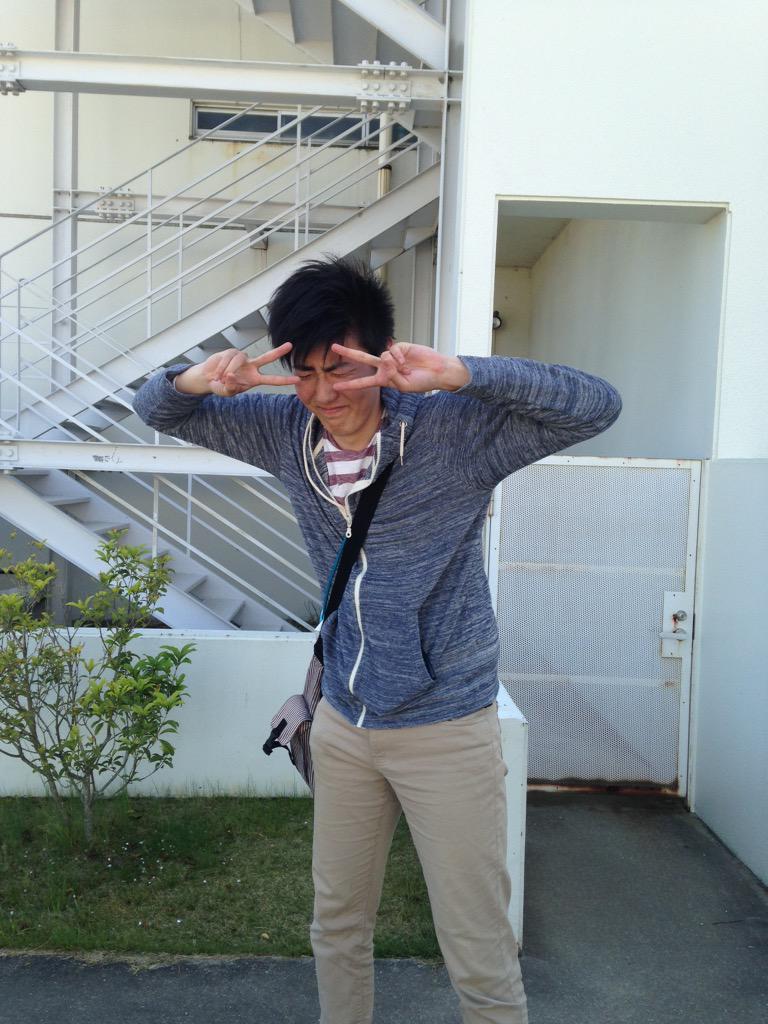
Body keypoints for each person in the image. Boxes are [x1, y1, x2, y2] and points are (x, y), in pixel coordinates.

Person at [133, 255, 622, 1024]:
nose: (323, 393)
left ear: (380, 356)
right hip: (343, 722)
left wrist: (463, 373)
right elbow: (158, 410)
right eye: (304, 373)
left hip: (444, 726)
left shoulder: (455, 434)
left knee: (477, 949)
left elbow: (595, 406)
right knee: (336, 926)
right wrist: (200, 379)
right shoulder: (283, 431)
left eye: (340, 369)